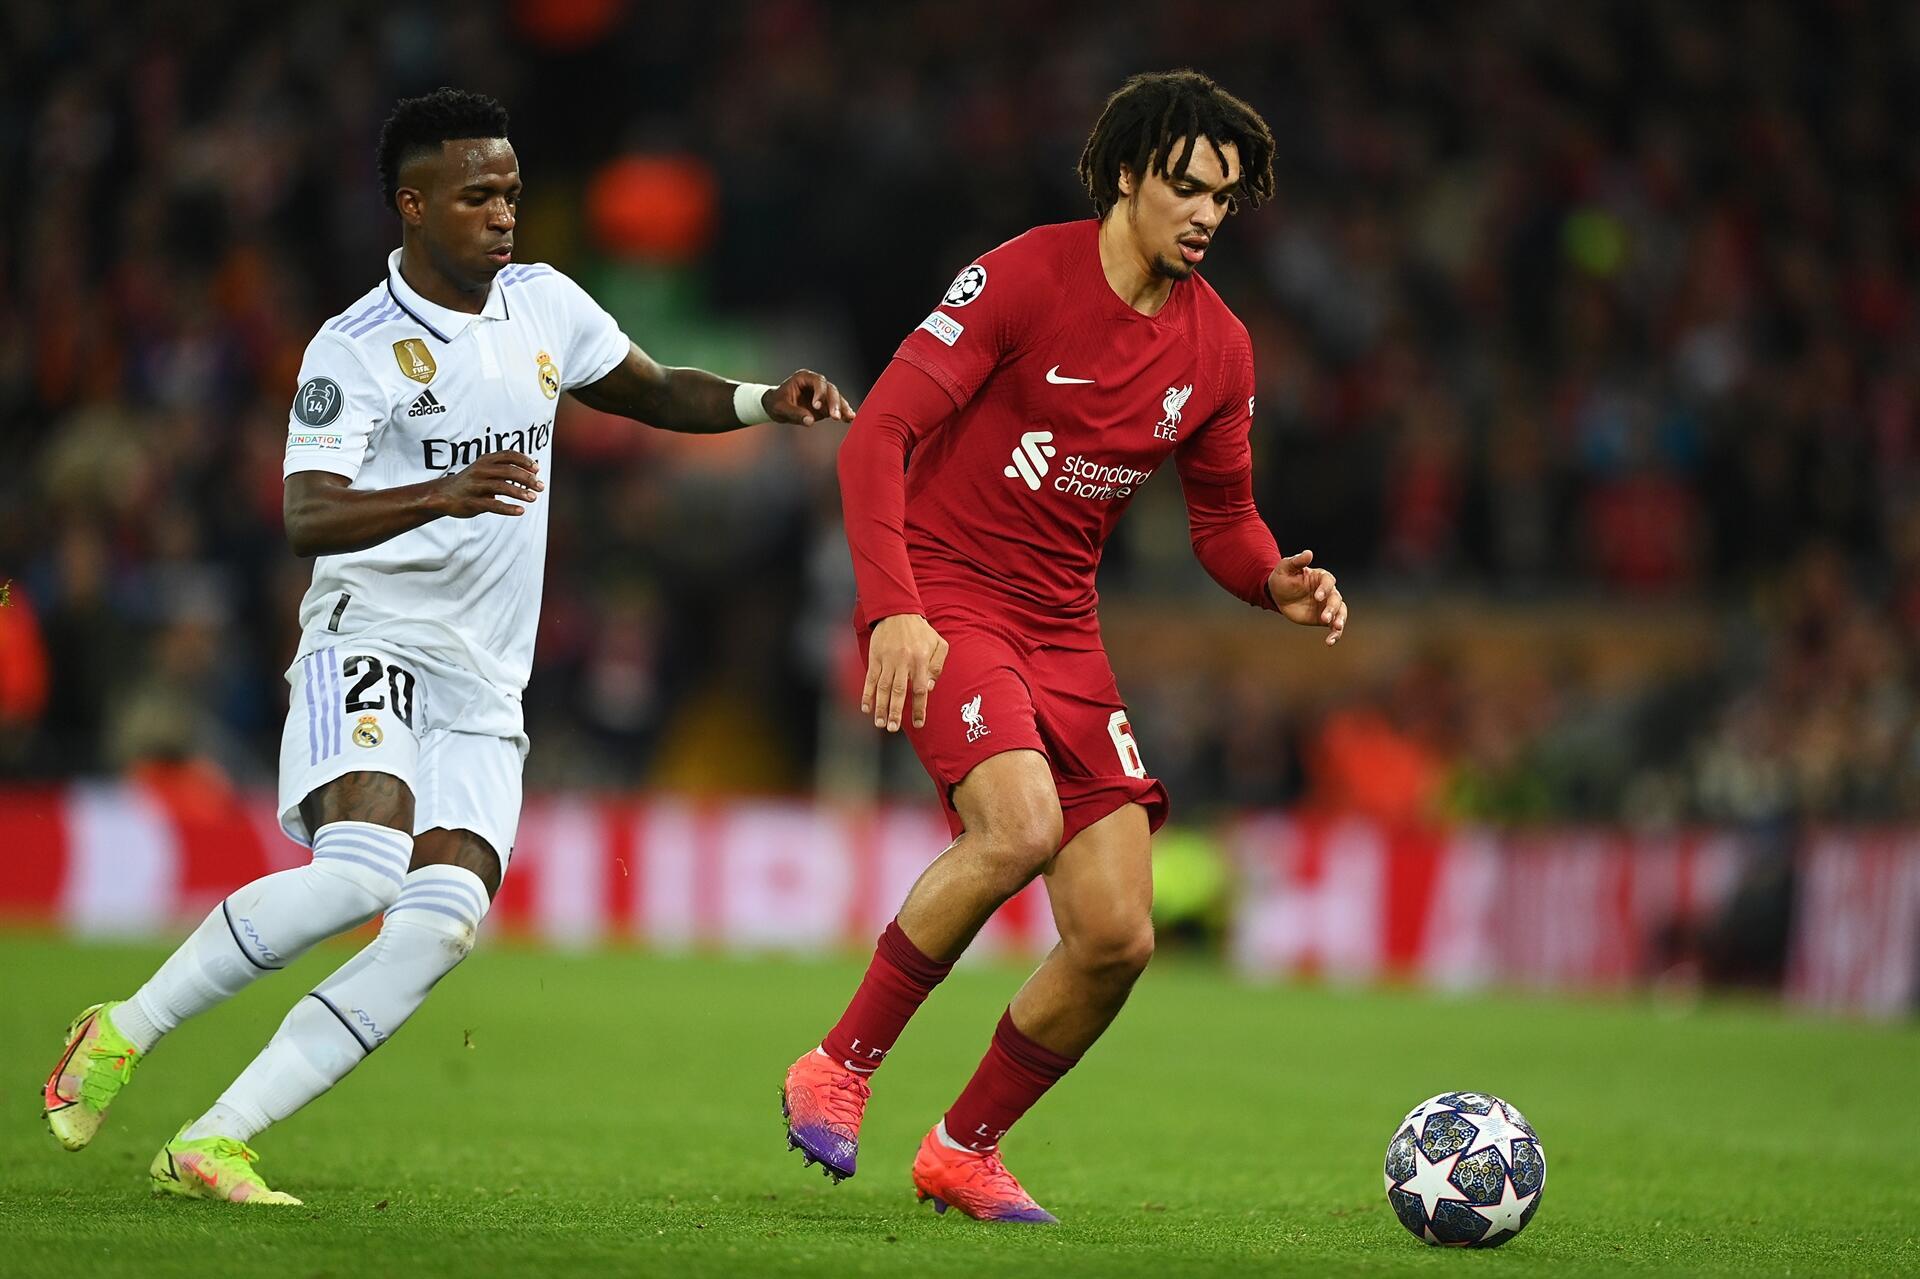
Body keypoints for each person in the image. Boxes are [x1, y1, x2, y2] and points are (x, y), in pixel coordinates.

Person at [42, 87, 853, 1205]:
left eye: (513, 192)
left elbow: (656, 390)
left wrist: (768, 400)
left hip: (488, 679)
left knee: (443, 921)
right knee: (363, 871)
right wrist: (447, 490)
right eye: (479, 195)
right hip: (368, 634)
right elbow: (306, 515)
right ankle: (122, 1029)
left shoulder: (544, 306)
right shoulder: (356, 349)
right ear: (414, 207)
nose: (504, 213)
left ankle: (215, 1138)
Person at [781, 69, 1347, 1223]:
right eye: (1188, 188)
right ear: (1130, 174)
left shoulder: (1220, 350)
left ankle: (962, 1148)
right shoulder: (1022, 276)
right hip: (944, 593)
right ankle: (837, 1064)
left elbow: (1224, 523)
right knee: (1020, 825)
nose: (1206, 215)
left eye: (1226, 200)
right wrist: (893, 606)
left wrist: (1274, 577)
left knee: (1117, 936)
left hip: (1063, 630)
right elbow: (875, 436)